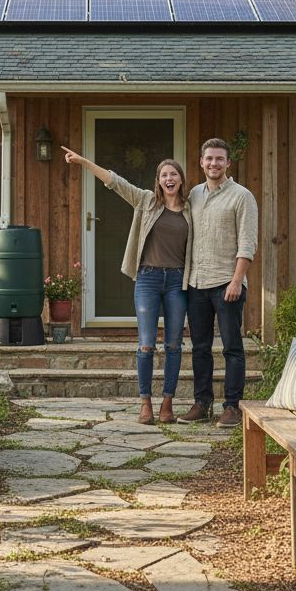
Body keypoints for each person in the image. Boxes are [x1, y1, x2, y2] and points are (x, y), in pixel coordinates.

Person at [61, 146, 192, 425]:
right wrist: (84, 162)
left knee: (173, 344)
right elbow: (114, 181)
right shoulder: (146, 201)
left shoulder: (192, 209)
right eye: (164, 175)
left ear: (181, 180)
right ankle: (145, 403)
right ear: (158, 180)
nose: (169, 179)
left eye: (174, 174)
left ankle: (167, 402)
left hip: (177, 282)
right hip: (148, 278)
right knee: (146, 344)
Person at [179, 137, 258, 428]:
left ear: (228, 163)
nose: (214, 163)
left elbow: (248, 243)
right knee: (200, 348)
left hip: (227, 283)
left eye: (219, 159)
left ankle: (232, 406)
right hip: (197, 284)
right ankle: (203, 403)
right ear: (201, 162)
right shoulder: (193, 196)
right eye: (209, 158)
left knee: (231, 347)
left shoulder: (241, 196)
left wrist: (236, 281)